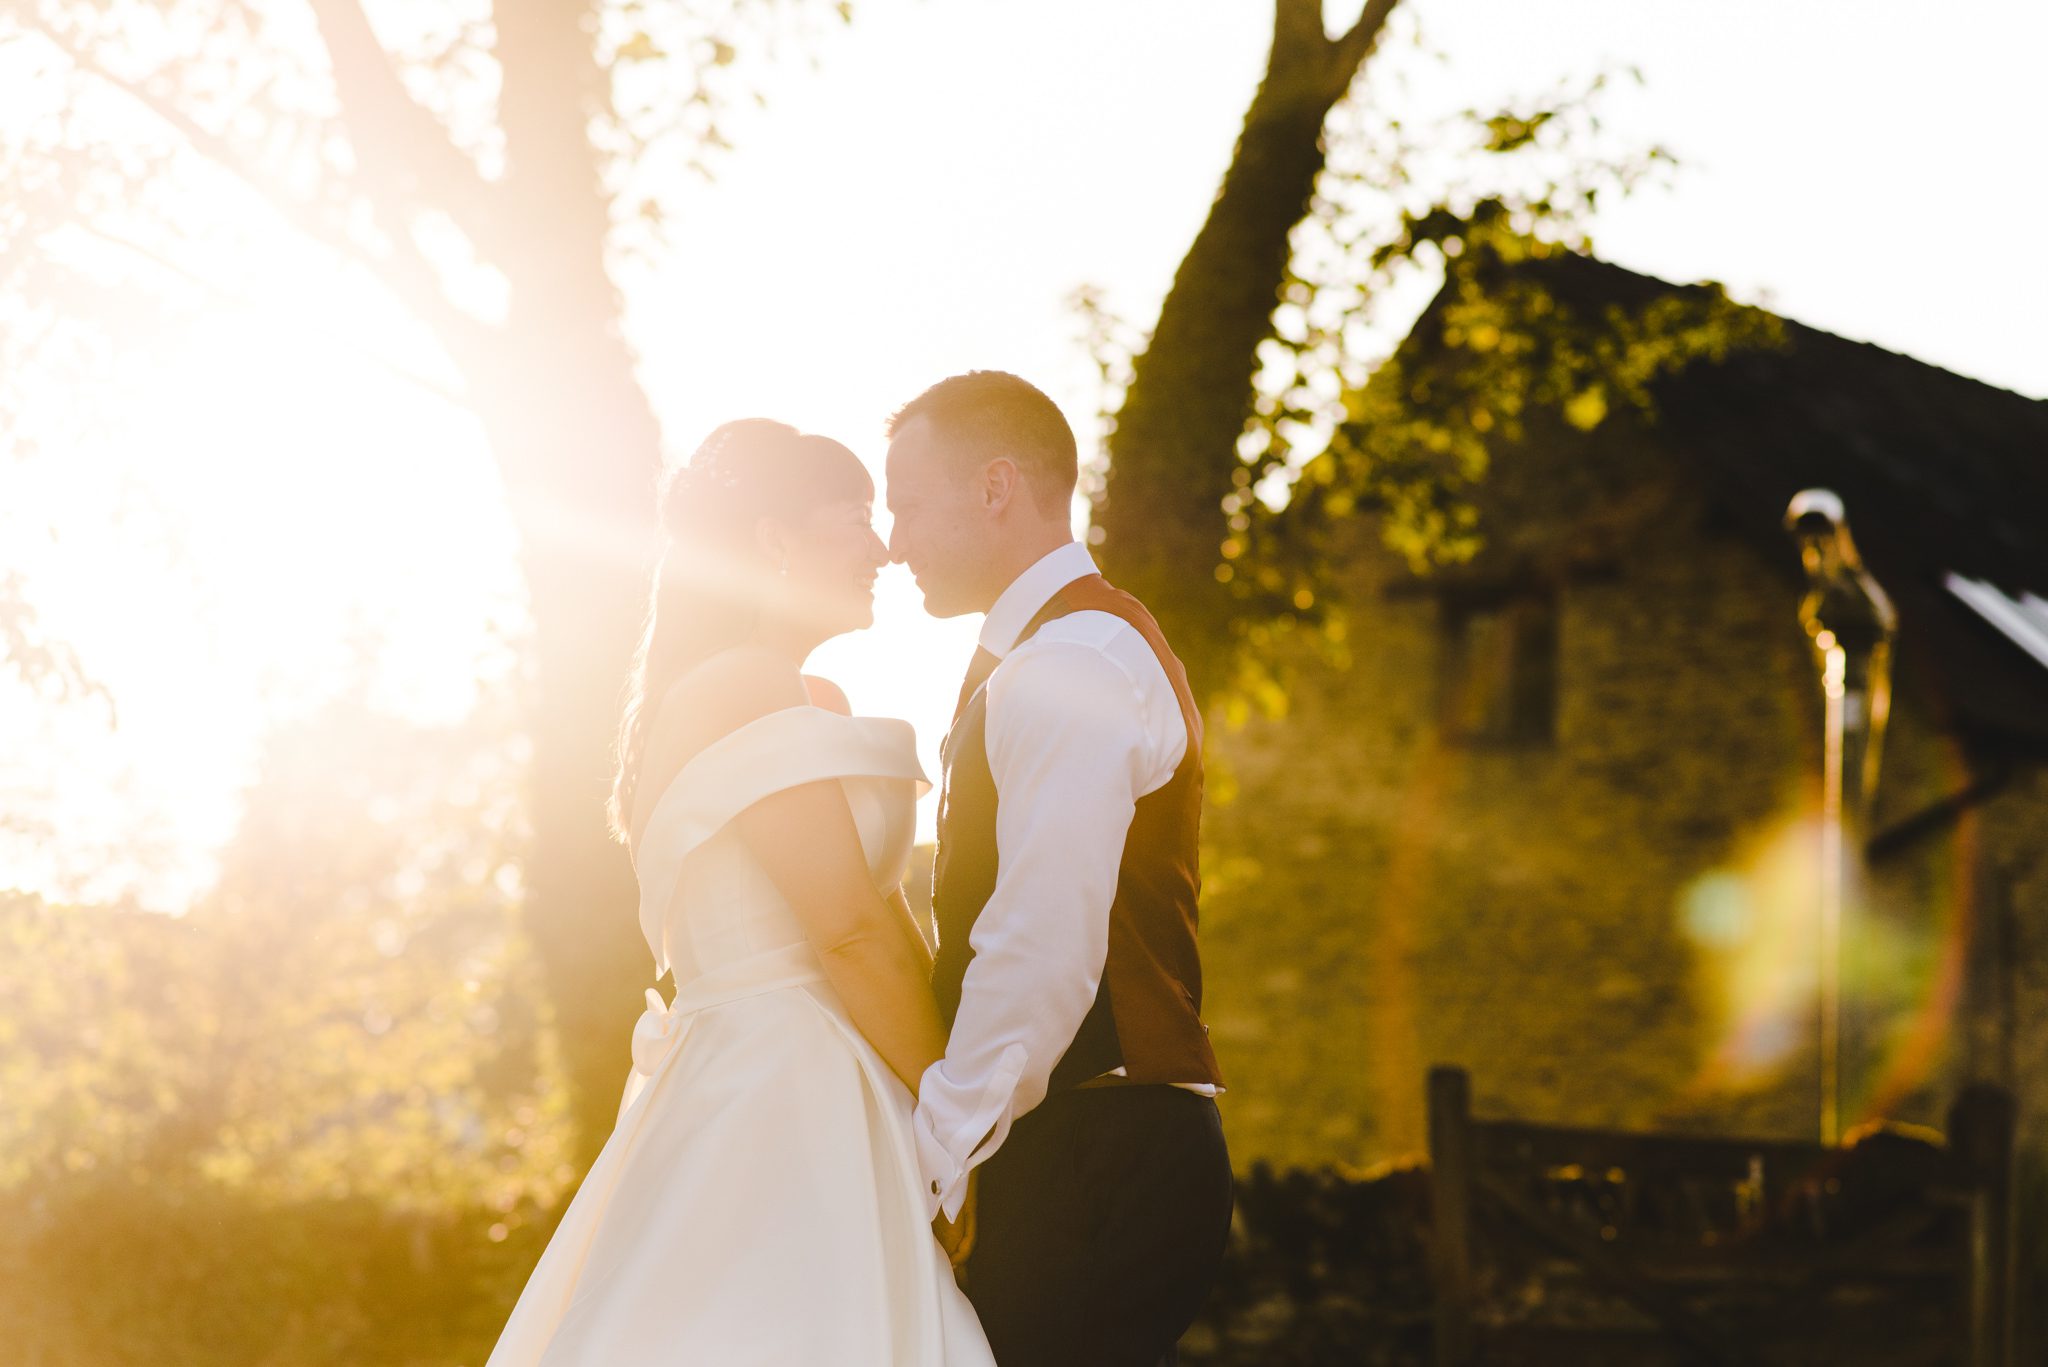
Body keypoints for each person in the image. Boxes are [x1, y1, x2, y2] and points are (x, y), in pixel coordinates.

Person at [486, 419, 993, 1366]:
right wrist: (954, 1125)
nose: (883, 548)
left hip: (819, 1065)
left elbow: (877, 915)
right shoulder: (743, 688)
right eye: (855, 518)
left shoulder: (799, 697)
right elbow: (848, 933)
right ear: (773, 541)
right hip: (785, 1081)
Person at [886, 372, 1234, 1367]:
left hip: (1095, 1152)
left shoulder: (1072, 662)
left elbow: (1039, 938)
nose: (895, 538)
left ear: (995, 486)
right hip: (1087, 1141)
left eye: (908, 502)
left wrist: (939, 1152)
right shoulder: (1048, 654)